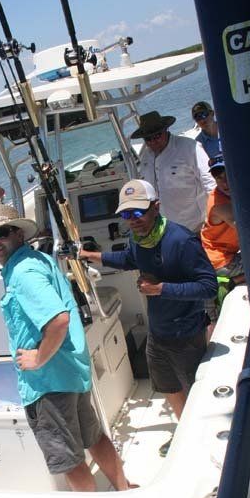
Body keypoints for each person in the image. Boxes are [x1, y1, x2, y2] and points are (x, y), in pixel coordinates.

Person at [0, 204, 131, 492]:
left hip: (49, 382)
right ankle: (124, 490)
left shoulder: (22, 271)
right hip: (70, 371)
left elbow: (58, 320)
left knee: (69, 460)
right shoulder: (37, 259)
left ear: (17, 233)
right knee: (94, 438)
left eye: (0, 233)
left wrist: (38, 358)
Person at [79, 179, 217, 421]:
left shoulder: (182, 240)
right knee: (168, 387)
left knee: (197, 392)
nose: (134, 219)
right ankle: (183, 430)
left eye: (139, 211)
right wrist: (90, 256)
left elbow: (208, 287)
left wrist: (161, 289)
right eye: (127, 213)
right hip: (157, 333)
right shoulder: (138, 238)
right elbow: (129, 258)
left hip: (186, 335)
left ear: (156, 206)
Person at [132, 111, 216, 233]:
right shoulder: (145, 157)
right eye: (148, 138)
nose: (153, 141)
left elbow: (210, 183)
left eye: (157, 136)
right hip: (162, 230)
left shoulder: (189, 147)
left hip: (195, 227)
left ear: (166, 130)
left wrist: (216, 219)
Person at [200, 156, 244, 325]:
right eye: (219, 178)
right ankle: (231, 282)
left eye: (227, 175)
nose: (224, 183)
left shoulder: (230, 194)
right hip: (220, 261)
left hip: (218, 254)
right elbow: (247, 230)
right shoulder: (219, 205)